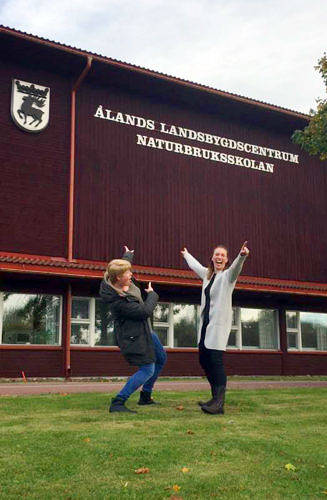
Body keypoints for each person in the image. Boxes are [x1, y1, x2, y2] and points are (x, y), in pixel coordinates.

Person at [181, 242, 249, 415]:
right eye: (216, 254)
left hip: (218, 325)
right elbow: (196, 266)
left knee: (216, 361)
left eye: (222, 256)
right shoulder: (208, 275)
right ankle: (214, 398)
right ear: (212, 258)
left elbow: (236, 269)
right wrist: (187, 255)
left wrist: (241, 256)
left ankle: (219, 403)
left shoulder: (227, 277)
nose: (219, 257)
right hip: (206, 324)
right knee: (203, 360)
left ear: (226, 260)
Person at [99, 246, 167, 413]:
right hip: (134, 337)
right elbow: (144, 312)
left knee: (161, 358)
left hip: (146, 331)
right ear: (118, 278)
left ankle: (145, 395)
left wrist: (127, 255)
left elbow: (122, 266)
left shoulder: (116, 277)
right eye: (127, 274)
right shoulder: (118, 302)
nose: (131, 275)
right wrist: (152, 295)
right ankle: (118, 401)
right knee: (147, 369)